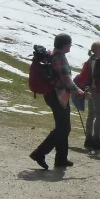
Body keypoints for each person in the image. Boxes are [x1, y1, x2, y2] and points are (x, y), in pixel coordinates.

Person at [29, 33, 85, 170]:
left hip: (52, 94)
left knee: (63, 126)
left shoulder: (52, 54)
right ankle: (39, 153)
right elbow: (66, 79)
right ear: (65, 44)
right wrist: (79, 92)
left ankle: (61, 158)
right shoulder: (60, 58)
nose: (71, 46)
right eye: (70, 44)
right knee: (63, 128)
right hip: (58, 96)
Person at [84, 41, 100, 151]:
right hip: (95, 90)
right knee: (99, 115)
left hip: (90, 88)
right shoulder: (97, 61)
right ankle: (96, 139)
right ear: (97, 50)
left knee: (91, 114)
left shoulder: (91, 60)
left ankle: (88, 139)